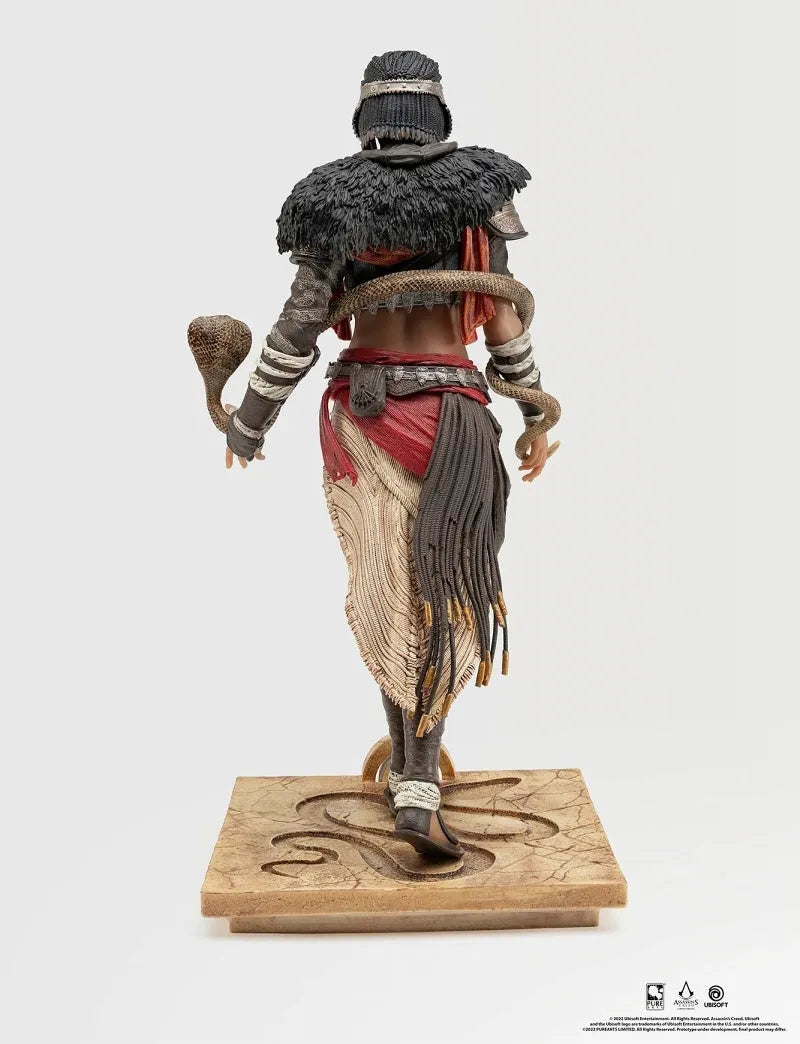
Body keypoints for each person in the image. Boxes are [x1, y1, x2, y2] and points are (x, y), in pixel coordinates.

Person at [222, 50, 552, 859]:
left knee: (393, 593)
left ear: (364, 117)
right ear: (439, 114)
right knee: (439, 593)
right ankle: (417, 782)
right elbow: (505, 326)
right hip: (452, 422)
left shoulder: (332, 200)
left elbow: (298, 329)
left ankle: (414, 776)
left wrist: (249, 422)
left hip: (363, 420)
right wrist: (534, 413)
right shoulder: (480, 194)